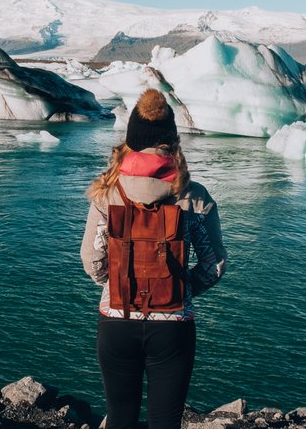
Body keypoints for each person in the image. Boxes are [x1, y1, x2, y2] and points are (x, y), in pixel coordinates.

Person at [81, 88, 228, 429]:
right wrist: (181, 286)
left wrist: (120, 278)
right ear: (171, 142)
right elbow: (214, 264)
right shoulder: (192, 196)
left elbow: (93, 263)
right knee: (165, 423)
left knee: (119, 418)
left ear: (131, 140)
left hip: (116, 321)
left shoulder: (107, 191)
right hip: (173, 327)